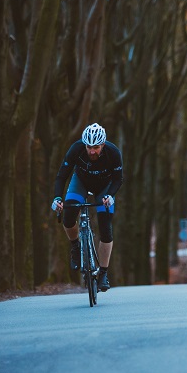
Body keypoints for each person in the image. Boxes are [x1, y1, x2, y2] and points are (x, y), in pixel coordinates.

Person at [51, 123, 123, 291]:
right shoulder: (76, 149)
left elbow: (118, 179)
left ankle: (103, 273)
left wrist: (110, 195)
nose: (92, 151)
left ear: (103, 145)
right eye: (89, 147)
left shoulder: (113, 153)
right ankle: (75, 245)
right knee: (68, 216)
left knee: (105, 226)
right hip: (81, 182)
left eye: (96, 147)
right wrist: (57, 198)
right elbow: (62, 176)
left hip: (104, 187)